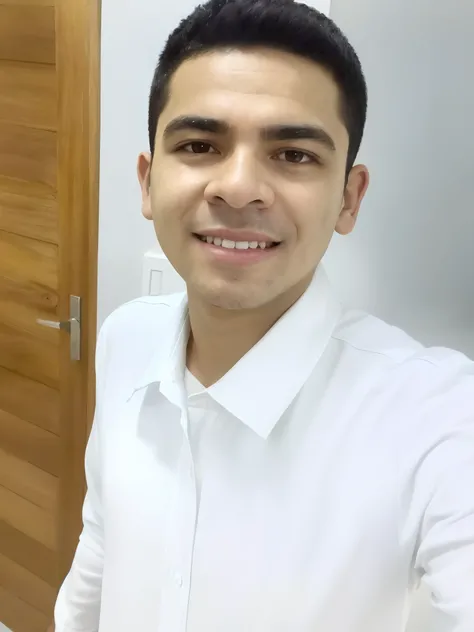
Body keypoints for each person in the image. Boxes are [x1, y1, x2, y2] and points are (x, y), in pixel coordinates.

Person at [51, 1, 474, 630]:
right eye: (199, 144)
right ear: (146, 182)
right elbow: (101, 546)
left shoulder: (435, 415)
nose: (239, 186)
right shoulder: (125, 337)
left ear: (348, 199)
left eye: (294, 155)